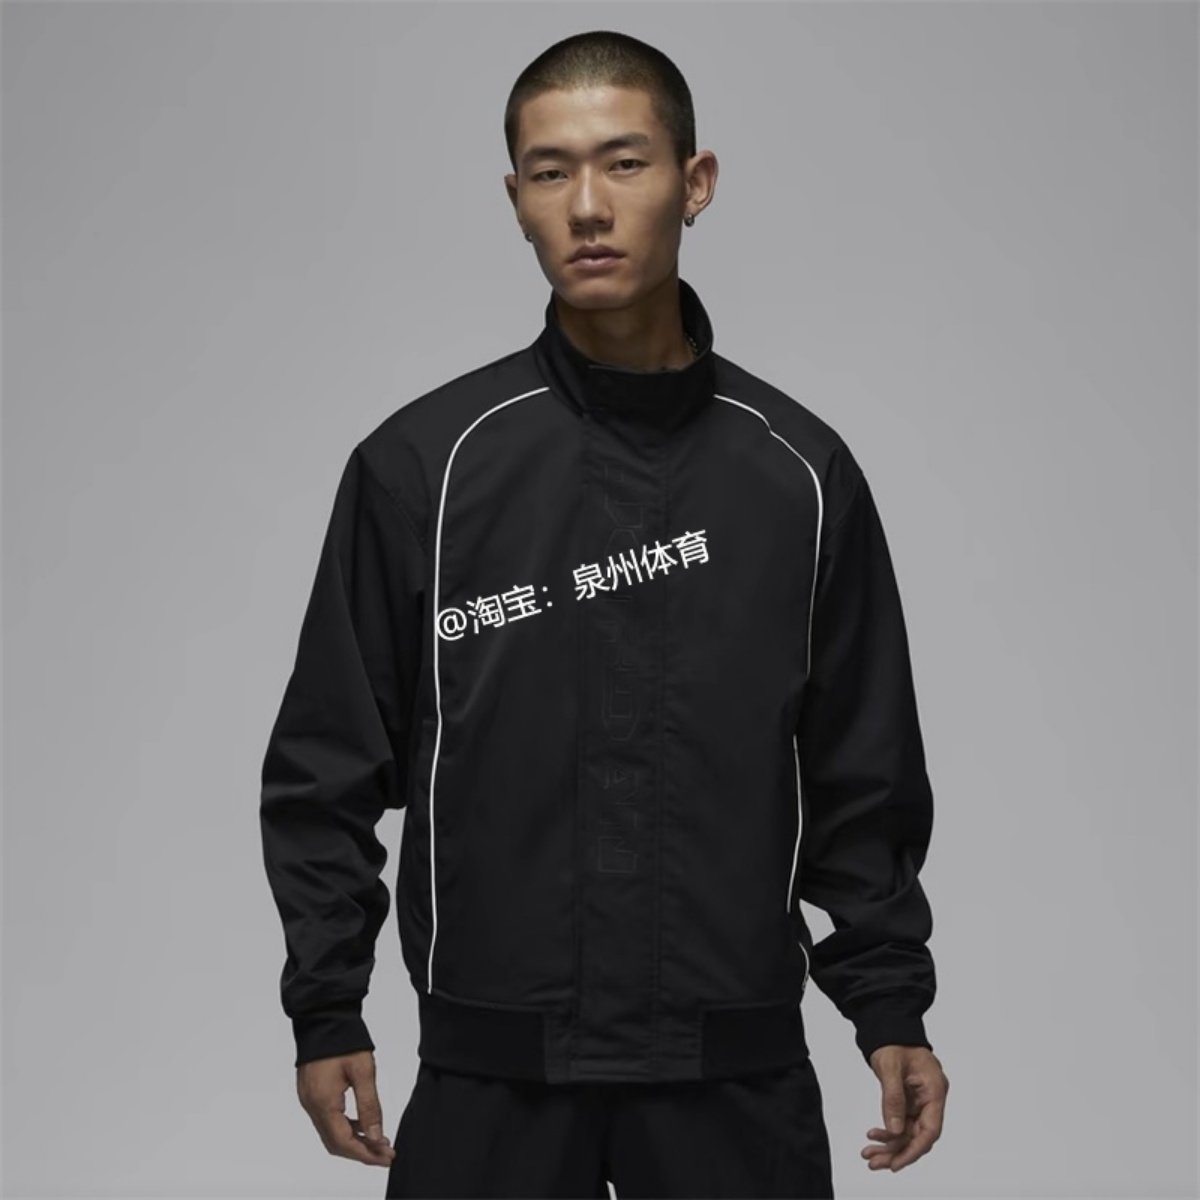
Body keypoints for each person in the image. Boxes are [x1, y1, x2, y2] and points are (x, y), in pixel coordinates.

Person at [259, 28, 949, 1199]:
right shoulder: (423, 470)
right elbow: (326, 767)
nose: (587, 205)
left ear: (695, 181)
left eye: (625, 163)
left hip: (734, 1074)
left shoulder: (798, 477)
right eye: (550, 171)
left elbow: (861, 771)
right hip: (493, 1077)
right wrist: (328, 1007)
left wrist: (889, 1003)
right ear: (516, 200)